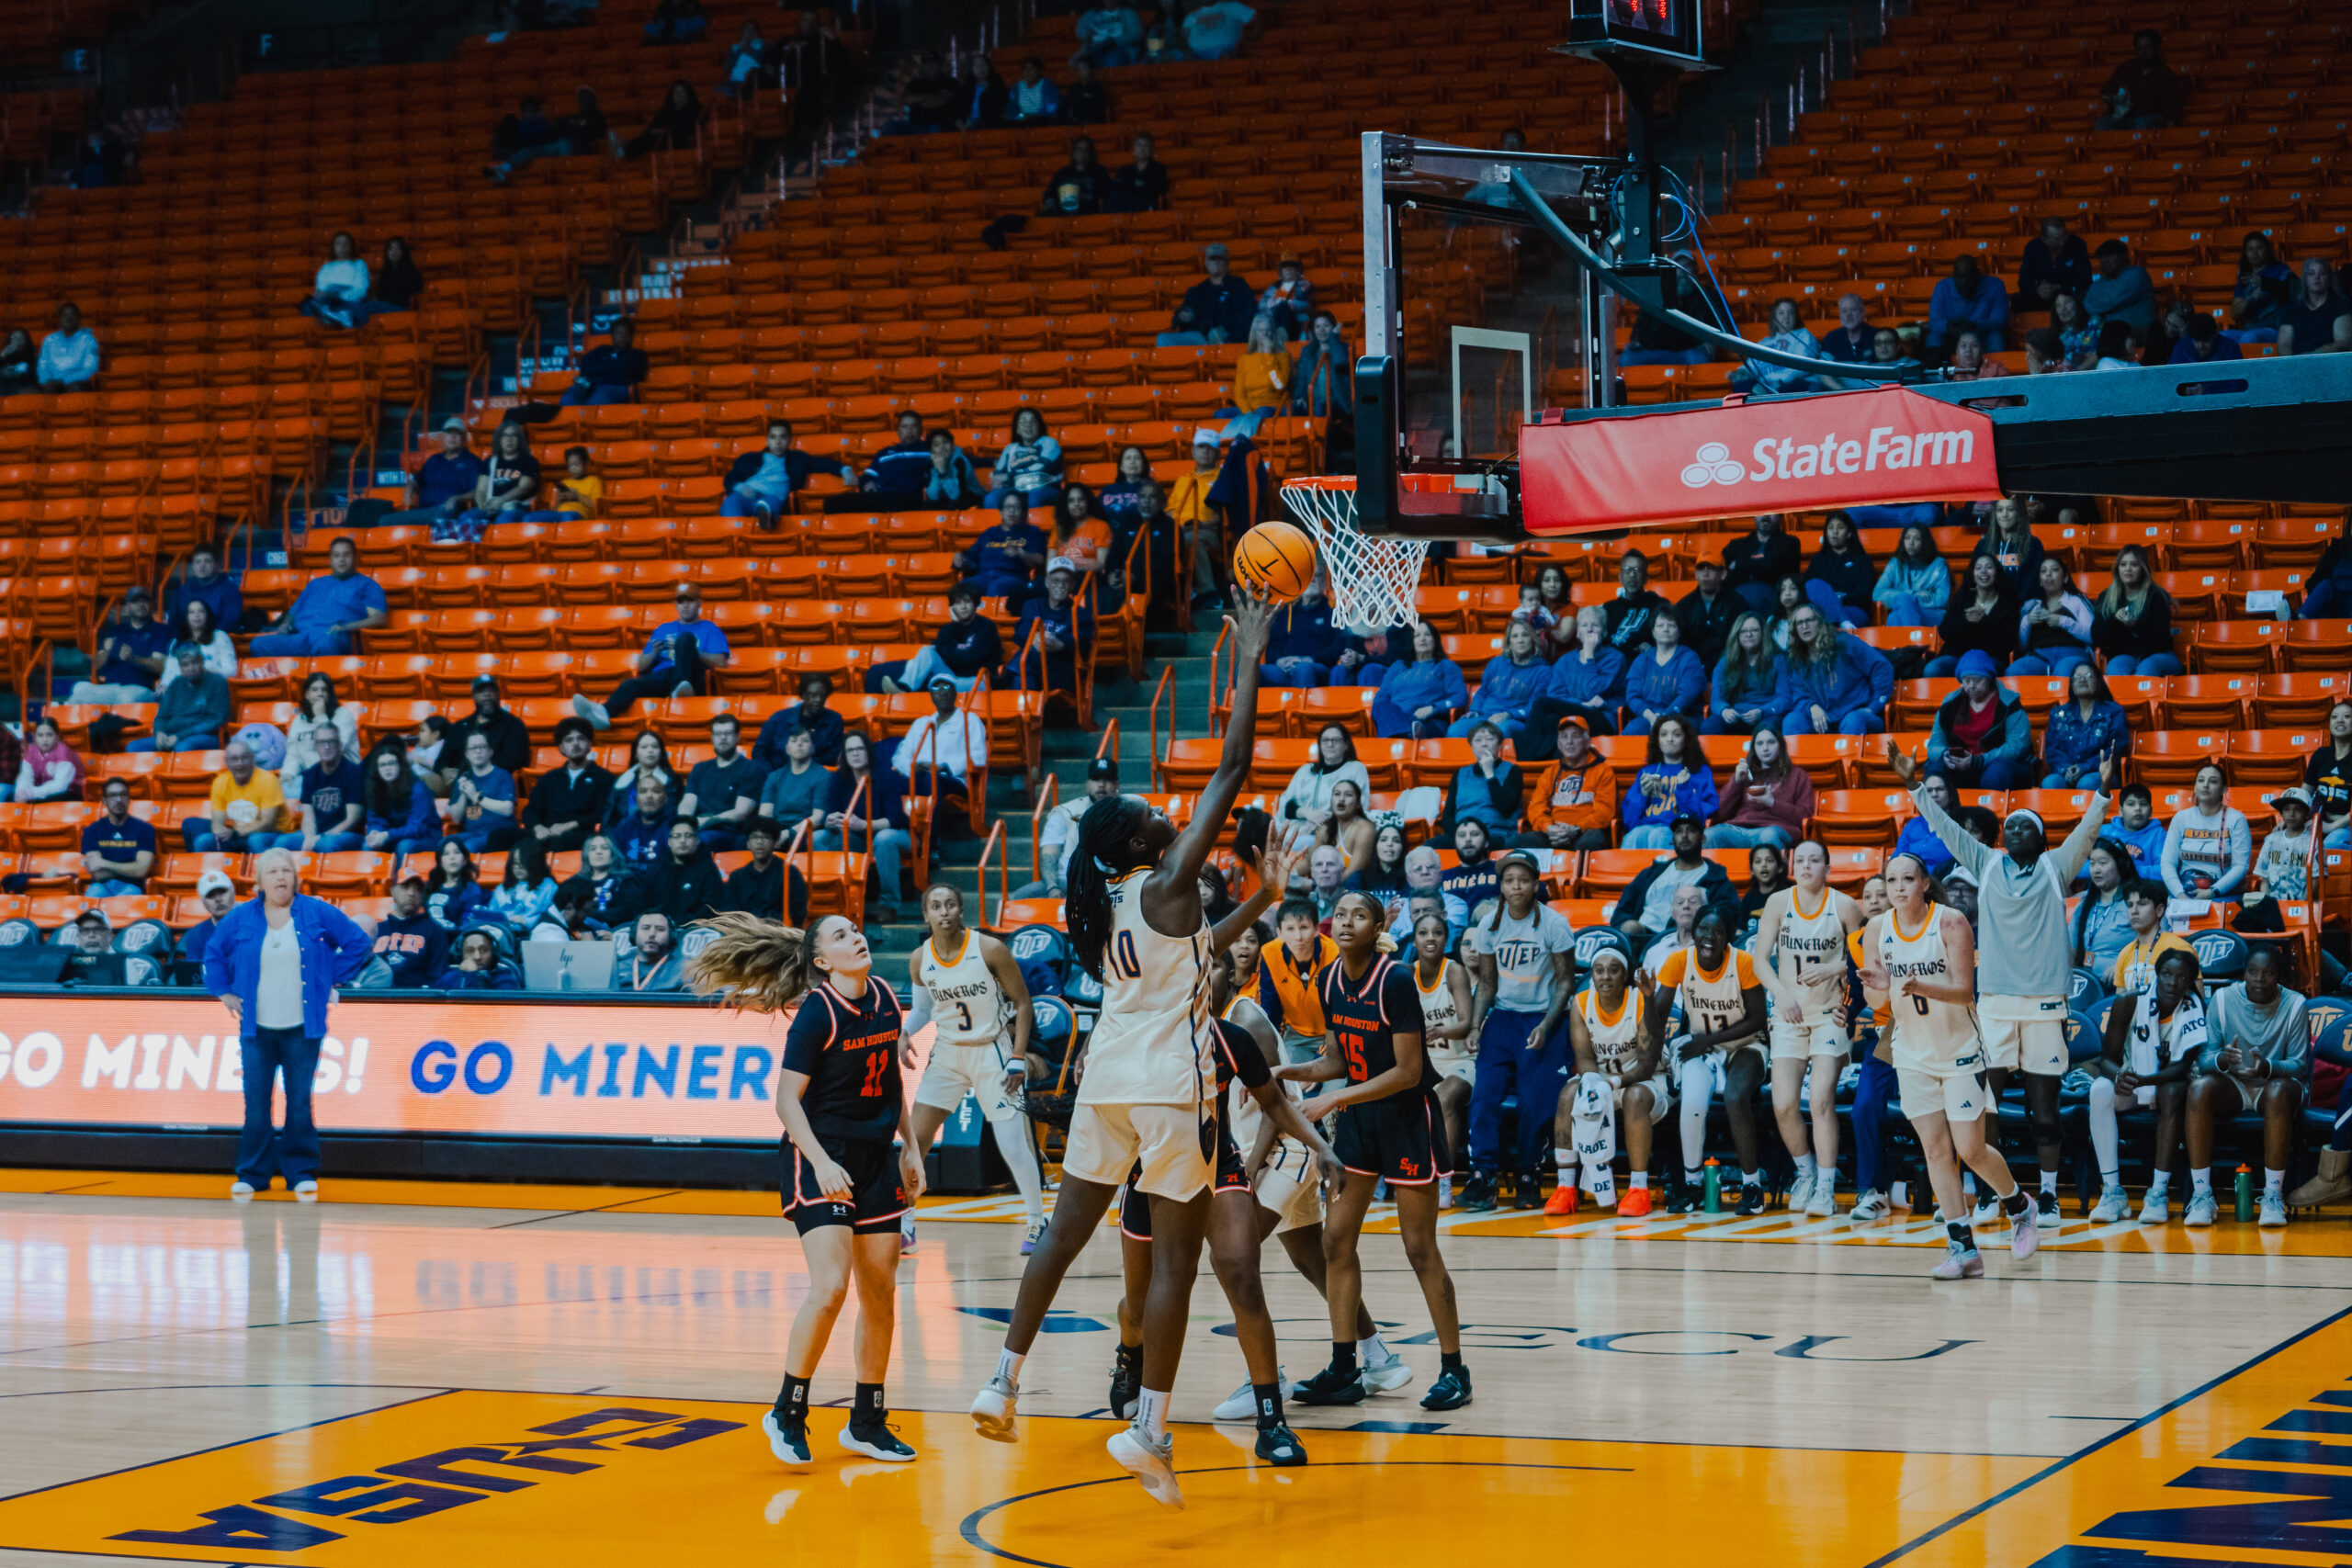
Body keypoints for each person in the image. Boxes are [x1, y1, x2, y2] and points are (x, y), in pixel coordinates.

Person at [966, 590, 1278, 1509]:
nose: (1162, 812)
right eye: (1150, 811)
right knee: (1176, 1266)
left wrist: (1265, 898)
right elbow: (1234, 766)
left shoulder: (1106, 909)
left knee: (1061, 1236)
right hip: (1171, 1088)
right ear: (1136, 840)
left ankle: (1002, 1380)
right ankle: (1147, 1427)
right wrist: (1250, 651)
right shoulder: (1172, 879)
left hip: (1105, 1076)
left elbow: (1196, 948)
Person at [682, 908, 922, 1469]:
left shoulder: (885, 994)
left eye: (856, 930)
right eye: (841, 936)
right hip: (820, 1155)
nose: (856, 938)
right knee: (832, 1286)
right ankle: (787, 1411)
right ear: (821, 960)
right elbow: (787, 1102)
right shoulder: (818, 1014)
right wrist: (821, 1163)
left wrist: (910, 1145)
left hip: (875, 1157)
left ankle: (866, 1422)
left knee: (881, 1292)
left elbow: (889, 1078)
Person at [1888, 739, 2115, 1227]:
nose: (2013, 829)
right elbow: (1945, 830)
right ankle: (1993, 1194)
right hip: (1991, 1004)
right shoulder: (1986, 863)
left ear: (2039, 837)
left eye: (2023, 825)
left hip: (2044, 1005)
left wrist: (2101, 790)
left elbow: (2089, 828)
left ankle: (2048, 1194)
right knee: (1983, 1105)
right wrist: (1913, 784)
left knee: (2044, 1109)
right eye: (2008, 825)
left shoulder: (2058, 867)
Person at [1280, 890, 1469, 1412]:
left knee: (1418, 1247)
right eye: (1339, 915)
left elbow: (1408, 1072)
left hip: (1408, 1119)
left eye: (1358, 915)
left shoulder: (1397, 979)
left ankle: (1455, 1370)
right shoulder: (1329, 980)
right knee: (1335, 1242)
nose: (1346, 923)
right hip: (1362, 1123)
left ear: (1377, 924)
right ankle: (1345, 1367)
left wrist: (1335, 1097)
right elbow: (1336, 1061)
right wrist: (1281, 1072)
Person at [1855, 853, 2037, 1278]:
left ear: (1923, 884)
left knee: (1970, 1150)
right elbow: (1876, 1002)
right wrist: (1882, 989)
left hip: (1960, 1050)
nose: (1897, 888)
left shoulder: (1951, 922)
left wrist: (1919, 985)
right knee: (1936, 1150)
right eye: (1891, 880)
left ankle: (2018, 1204)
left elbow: (1963, 993)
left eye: (1907, 879)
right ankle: (1964, 1250)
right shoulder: (1877, 930)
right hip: (1911, 1052)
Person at [200, 848, 373, 1201]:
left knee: (298, 1102)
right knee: (256, 1102)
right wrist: (223, 992)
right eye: (273, 871)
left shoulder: (316, 911)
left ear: (295, 878)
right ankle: (253, 1173)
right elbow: (213, 954)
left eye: (287, 871)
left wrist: (328, 978)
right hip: (257, 1030)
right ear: (260, 881)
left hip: (302, 1029)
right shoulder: (241, 917)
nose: (281, 877)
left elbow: (358, 943)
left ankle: (300, 1172)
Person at [902, 884, 1048, 1253]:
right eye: (936, 906)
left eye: (950, 904)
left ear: (960, 909)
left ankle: (1037, 1221)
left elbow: (1024, 1004)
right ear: (926, 915)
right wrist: (904, 1032)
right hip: (948, 1053)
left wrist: (1017, 1056)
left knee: (1012, 1146)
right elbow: (922, 1010)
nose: (944, 911)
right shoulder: (920, 958)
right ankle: (906, 1225)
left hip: (992, 1052)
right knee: (915, 1139)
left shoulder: (989, 949)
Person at [1458, 853, 1577, 1212]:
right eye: (1509, 880)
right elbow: (1488, 983)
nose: (1516, 886)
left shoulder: (1555, 924)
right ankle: (1483, 1175)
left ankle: (1528, 1173)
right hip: (1505, 1019)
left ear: (1535, 883)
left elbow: (1566, 981)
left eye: (1523, 880)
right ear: (1501, 885)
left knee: (1534, 1101)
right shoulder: (1489, 927)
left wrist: (1545, 1024)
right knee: (1484, 1097)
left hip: (1543, 1018)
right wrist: (1476, 1025)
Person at [1755, 841, 1865, 1218]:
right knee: (1783, 1103)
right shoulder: (1778, 903)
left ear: (1827, 867)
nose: (1805, 865)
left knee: (1820, 1099)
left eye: (1813, 860)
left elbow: (1864, 960)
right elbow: (1759, 960)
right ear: (1792, 867)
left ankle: (1826, 1187)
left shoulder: (1845, 905)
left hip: (1830, 1014)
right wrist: (1781, 995)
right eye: (1799, 860)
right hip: (1789, 1013)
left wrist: (1835, 969)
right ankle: (1804, 1173)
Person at [2180, 946, 2308, 1228]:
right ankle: (2202, 1196)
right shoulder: (2223, 999)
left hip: (2277, 1086)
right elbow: (2203, 1060)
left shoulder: (2296, 1004)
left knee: (2276, 1092)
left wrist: (2269, 1067)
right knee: (2199, 1088)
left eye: (2268, 972)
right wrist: (2221, 1060)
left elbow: (2299, 1065)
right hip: (2234, 1084)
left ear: (2280, 977)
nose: (2259, 979)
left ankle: (2273, 1197)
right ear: (2243, 974)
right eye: (2253, 972)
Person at [1655, 909, 1769, 1213]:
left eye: (1717, 931)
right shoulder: (1678, 961)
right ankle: (1692, 1185)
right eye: (1703, 929)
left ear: (1729, 936)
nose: (1709, 937)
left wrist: (1707, 1040)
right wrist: (1645, 996)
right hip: (1700, 1048)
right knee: (1691, 1103)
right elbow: (1659, 1013)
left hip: (1745, 1045)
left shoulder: (1743, 962)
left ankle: (1752, 1186)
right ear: (1693, 932)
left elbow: (1758, 1019)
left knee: (1735, 1096)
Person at [2098, 947, 2203, 1224]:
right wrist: (2120, 1074)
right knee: (2099, 1089)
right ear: (2157, 975)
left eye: (2181, 976)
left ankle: (2158, 1193)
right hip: (2134, 1083)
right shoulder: (2128, 1003)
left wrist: (2146, 1080)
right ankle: (2112, 1191)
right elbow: (2106, 1060)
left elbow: (2181, 1068)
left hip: (2173, 1085)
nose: (2172, 981)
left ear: (2190, 981)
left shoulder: (2194, 1008)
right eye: (2167, 974)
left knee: (2171, 1092)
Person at [570, 583, 730, 729]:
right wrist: (654, 652)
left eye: (690, 600)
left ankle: (682, 685)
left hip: (694, 679)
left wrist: (689, 651)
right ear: (676, 604)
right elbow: (641, 666)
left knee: (686, 639)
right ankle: (603, 712)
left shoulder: (710, 629)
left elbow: (721, 662)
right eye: (681, 601)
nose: (686, 605)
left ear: (699, 603)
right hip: (664, 678)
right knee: (629, 684)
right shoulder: (663, 629)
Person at [815, 731, 912, 920]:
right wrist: (830, 821)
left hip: (891, 833)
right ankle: (833, 900)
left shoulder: (886, 776)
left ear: (868, 751)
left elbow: (895, 819)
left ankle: (888, 904)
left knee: (885, 839)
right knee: (817, 838)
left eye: (860, 748)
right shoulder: (838, 778)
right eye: (850, 750)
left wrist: (863, 825)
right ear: (844, 756)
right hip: (853, 834)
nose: (856, 754)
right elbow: (830, 813)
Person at [1611, 813, 1740, 945]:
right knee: (1628, 929)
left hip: (1689, 943)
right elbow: (1623, 907)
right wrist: (1626, 923)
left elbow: (1727, 914)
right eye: (1679, 831)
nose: (1684, 836)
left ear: (1702, 839)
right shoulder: (1652, 873)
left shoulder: (1716, 877)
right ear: (1673, 839)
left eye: (1691, 831)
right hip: (1643, 939)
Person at [250, 536, 386, 658]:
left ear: (355, 558)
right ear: (330, 560)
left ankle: (319, 684)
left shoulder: (368, 585)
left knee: (324, 644)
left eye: (346, 555)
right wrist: (286, 624)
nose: (341, 560)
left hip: (335, 636)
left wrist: (347, 627)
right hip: (302, 637)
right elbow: (293, 613)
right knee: (258, 644)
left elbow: (378, 618)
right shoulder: (315, 584)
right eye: (336, 555)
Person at [1771, 603, 1891, 736]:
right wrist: (1812, 707)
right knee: (1792, 720)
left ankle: (1848, 757)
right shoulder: (1796, 659)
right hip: (1823, 720)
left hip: (1857, 715)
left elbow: (1881, 666)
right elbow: (1799, 695)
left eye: (1809, 620)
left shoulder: (1846, 643)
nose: (1804, 626)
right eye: (1799, 623)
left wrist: (1874, 706)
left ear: (1821, 622)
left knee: (1853, 720)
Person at [721, 420, 854, 525]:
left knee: (768, 503)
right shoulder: (749, 458)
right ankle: (736, 535)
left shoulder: (798, 459)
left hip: (772, 497)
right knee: (731, 503)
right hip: (746, 494)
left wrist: (845, 470)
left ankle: (766, 519)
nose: (778, 442)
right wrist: (739, 486)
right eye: (773, 437)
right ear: (767, 440)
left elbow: (824, 463)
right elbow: (730, 477)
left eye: (783, 437)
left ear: (790, 440)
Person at [1518, 713, 1615, 852]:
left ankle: (1581, 874)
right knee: (1515, 842)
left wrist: (1576, 828)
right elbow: (1536, 809)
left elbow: (1604, 813)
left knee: (1591, 841)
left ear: (1587, 741)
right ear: (1558, 742)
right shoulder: (1549, 773)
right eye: (1564, 736)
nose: (1569, 741)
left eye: (1575, 736)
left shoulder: (1603, 771)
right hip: (1553, 833)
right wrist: (1548, 828)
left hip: (1585, 832)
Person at [1709, 722, 1812, 850]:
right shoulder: (1745, 773)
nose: (1765, 748)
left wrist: (1772, 803)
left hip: (1776, 829)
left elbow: (1805, 817)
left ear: (1780, 745)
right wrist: (1737, 782)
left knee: (1768, 836)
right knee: (1709, 836)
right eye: (1760, 743)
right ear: (1754, 748)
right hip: (1740, 830)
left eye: (1771, 742)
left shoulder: (1798, 776)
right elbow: (1720, 814)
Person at [2161, 761, 2251, 903]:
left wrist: (2212, 892)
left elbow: (2241, 866)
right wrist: (2180, 895)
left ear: (2223, 789)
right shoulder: (2181, 818)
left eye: (2213, 781)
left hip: (2223, 895)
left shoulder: (2236, 819)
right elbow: (2167, 863)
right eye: (2201, 780)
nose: (2205, 785)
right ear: (2195, 787)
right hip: (2183, 894)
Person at [1621, 716, 1716, 849]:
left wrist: (1684, 789)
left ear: (1686, 739)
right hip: (1644, 828)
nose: (1669, 739)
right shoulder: (1646, 772)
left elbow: (1699, 817)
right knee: (1633, 836)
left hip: (1679, 831)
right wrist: (1642, 794)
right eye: (1664, 734)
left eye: (1676, 734)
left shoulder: (1701, 772)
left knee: (1659, 835)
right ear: (1657, 740)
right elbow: (1629, 822)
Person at [1448, 619, 1549, 740]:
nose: (1520, 640)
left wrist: (1510, 714)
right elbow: (1482, 691)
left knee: (1500, 731)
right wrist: (1475, 710)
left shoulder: (1543, 671)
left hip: (1513, 721)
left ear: (1532, 640)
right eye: (1515, 636)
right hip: (1485, 717)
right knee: (1454, 730)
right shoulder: (1496, 663)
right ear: (1509, 642)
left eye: (1525, 635)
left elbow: (1535, 706)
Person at [678, 713, 766, 851]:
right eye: (718, 734)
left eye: (728, 733)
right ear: (712, 737)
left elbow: (740, 812)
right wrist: (685, 824)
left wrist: (705, 822)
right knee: (667, 838)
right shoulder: (700, 769)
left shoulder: (752, 770)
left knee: (701, 841)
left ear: (737, 736)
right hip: (698, 828)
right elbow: (688, 802)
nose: (723, 738)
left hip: (730, 833)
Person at [71, 585, 172, 704]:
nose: (140, 605)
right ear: (128, 607)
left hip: (139, 688)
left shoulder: (160, 630)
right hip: (111, 688)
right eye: (135, 601)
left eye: (144, 600)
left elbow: (159, 666)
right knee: (76, 699)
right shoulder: (117, 630)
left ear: (151, 604)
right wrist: (106, 652)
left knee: (126, 700)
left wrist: (134, 658)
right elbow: (97, 666)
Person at [1363, 622, 1466, 738]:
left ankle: (1401, 736)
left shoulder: (1447, 666)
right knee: (1380, 705)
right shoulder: (1398, 666)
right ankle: (1406, 733)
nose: (1422, 639)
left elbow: (1459, 697)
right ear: (1412, 641)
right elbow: (1381, 696)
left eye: (1427, 635)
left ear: (1435, 640)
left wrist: (1434, 708)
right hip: (1397, 716)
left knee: (1412, 725)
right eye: (1417, 636)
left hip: (1427, 719)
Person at [2091, 544, 2179, 677]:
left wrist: (2135, 624)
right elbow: (2097, 637)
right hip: (2125, 655)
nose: (2128, 569)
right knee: (2115, 668)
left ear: (2143, 569)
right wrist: (2115, 620)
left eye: (2134, 564)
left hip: (2159, 655)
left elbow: (2160, 639)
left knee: (2147, 667)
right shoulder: (2107, 596)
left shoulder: (2156, 595)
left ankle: (2143, 698)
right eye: (2123, 564)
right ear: (2117, 569)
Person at [189, 739, 290, 853]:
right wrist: (219, 832)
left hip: (272, 833)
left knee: (255, 840)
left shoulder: (267, 780)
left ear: (252, 758)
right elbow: (217, 820)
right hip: (239, 834)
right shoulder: (220, 782)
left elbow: (267, 824)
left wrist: (236, 833)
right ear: (227, 762)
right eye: (234, 759)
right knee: (203, 841)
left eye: (244, 758)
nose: (240, 763)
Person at [1928, 556, 2021, 678]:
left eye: (1989, 567)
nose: (1983, 571)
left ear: (1997, 572)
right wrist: (1966, 621)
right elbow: (1945, 631)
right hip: (1957, 656)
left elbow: (2007, 643)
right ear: (1973, 573)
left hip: (1990, 658)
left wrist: (1983, 621)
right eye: (1978, 568)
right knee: (1932, 669)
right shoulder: (1964, 595)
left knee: (1975, 669)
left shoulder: (2008, 602)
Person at [2041, 665, 2130, 790]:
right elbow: (2052, 749)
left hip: (2100, 772)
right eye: (2077, 677)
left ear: (2098, 682)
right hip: (2066, 772)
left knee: (2086, 783)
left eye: (2089, 676)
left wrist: (2084, 767)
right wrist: (2067, 769)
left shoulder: (2114, 711)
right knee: (2050, 783)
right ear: (2071, 684)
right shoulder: (2058, 714)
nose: (2083, 680)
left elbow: (2115, 749)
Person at [1623, 610, 1707, 737]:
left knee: (1672, 735)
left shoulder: (1690, 658)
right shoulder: (1642, 660)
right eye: (1660, 625)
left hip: (1682, 717)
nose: (1665, 629)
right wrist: (1651, 716)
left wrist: (1666, 717)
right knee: (1631, 732)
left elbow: (1687, 695)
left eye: (1671, 625)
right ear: (1653, 632)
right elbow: (1632, 696)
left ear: (1679, 631)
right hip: (1649, 717)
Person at [2009, 558, 2098, 677]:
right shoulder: (2032, 605)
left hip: (2072, 654)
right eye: (2043, 571)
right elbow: (2022, 646)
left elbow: (2092, 636)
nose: (2048, 574)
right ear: (2040, 581)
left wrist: (2063, 622)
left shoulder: (2077, 601)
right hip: (2039, 656)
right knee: (2015, 671)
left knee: (2063, 671)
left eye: (2054, 570)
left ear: (2065, 578)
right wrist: (2027, 621)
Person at [1158, 242, 1255, 347]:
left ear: (1227, 262)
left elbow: (1248, 313)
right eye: (1212, 258)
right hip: (1201, 338)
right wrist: (1182, 316)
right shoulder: (1196, 291)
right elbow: (1178, 319)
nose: (1216, 262)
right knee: (1163, 339)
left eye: (1220, 258)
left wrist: (1225, 329)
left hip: (1231, 336)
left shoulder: (1239, 286)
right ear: (1206, 262)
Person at [133, 647, 230, 753]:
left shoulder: (218, 682)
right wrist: (160, 733)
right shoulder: (176, 683)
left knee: (182, 747)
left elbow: (216, 719)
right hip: (172, 735)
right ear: (180, 667)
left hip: (203, 735)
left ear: (202, 662)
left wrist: (179, 736)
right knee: (134, 747)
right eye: (186, 665)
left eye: (195, 663)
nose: (191, 668)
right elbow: (161, 716)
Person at [2110, 877, 2192, 998]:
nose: (2134, 911)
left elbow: (2194, 1002)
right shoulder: (2125, 953)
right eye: (2130, 905)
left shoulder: (2180, 948)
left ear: (2159, 910)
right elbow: (2120, 1005)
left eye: (2142, 904)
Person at [361, 743, 442, 862]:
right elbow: (375, 819)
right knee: (368, 845)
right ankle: (373, 880)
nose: (387, 768)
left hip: (426, 836)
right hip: (393, 836)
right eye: (382, 765)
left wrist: (387, 835)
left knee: (404, 845)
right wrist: (375, 832)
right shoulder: (375, 789)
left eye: (391, 763)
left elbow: (417, 828)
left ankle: (400, 879)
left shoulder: (418, 788)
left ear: (400, 766)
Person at [294, 725, 368, 853]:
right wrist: (309, 838)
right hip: (319, 834)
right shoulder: (310, 774)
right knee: (282, 843)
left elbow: (352, 819)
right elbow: (308, 815)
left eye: (331, 741)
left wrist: (321, 838)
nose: (326, 747)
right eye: (322, 742)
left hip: (347, 835)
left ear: (339, 744)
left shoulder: (354, 772)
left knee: (326, 844)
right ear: (315, 747)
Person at [1706, 610, 1780, 738]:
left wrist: (1762, 711)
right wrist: (1724, 710)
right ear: (1737, 635)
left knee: (1767, 729)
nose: (1749, 634)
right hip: (1736, 714)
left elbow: (1785, 698)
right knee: (1709, 726)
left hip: (1766, 715)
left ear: (1763, 634)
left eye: (1754, 630)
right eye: (1743, 631)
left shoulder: (1778, 660)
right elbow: (1716, 700)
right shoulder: (1724, 663)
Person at [368, 876, 450, 989]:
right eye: (405, 887)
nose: (412, 893)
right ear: (393, 891)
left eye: (417, 889)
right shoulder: (377, 930)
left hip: (415, 999)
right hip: (374, 998)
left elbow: (437, 977)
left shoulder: (435, 931)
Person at [2072, 841, 2138, 977]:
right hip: (2086, 983)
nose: (2096, 869)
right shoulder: (2084, 905)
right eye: (2092, 863)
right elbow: (2070, 951)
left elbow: (2156, 945)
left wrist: (2126, 966)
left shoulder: (2138, 901)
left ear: (2121, 865)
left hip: (2124, 983)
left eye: (2103, 863)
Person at [79, 777, 156, 896]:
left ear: (129, 799)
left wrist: (103, 863)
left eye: (123, 795)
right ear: (104, 800)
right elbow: (98, 874)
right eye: (113, 795)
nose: (119, 799)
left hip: (132, 887)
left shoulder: (145, 830)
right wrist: (129, 868)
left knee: (128, 896)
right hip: (100, 886)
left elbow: (141, 870)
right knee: (93, 894)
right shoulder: (92, 831)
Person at [446, 730, 518, 852]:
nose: (478, 751)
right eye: (473, 748)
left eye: (482, 747)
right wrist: (464, 794)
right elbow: (456, 819)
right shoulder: (465, 778)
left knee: (468, 847)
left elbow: (508, 810)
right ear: (467, 754)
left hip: (498, 834)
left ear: (490, 751)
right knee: (445, 844)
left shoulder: (502, 776)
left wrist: (476, 796)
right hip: (473, 833)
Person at [2098, 28, 2183, 129]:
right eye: (2140, 48)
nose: (2144, 52)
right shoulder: (2126, 68)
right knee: (2102, 123)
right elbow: (2107, 91)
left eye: (2148, 47)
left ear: (2156, 49)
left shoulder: (2165, 73)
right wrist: (2113, 98)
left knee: (2142, 123)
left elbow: (2171, 106)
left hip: (2152, 118)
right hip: (2125, 117)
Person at [559, 833, 643, 933]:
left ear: (612, 854)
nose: (599, 852)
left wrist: (589, 914)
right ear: (587, 855)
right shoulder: (575, 882)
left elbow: (628, 911)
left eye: (604, 848)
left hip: (616, 930)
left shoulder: (625, 880)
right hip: (579, 930)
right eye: (593, 849)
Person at [1927, 255, 2010, 355]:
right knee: (1934, 338)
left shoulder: (1996, 285)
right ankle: (1934, 369)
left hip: (1982, 333)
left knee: (1995, 338)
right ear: (1954, 276)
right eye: (1960, 277)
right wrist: (1948, 327)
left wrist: (1976, 326)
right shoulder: (1942, 287)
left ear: (1977, 274)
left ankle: (1995, 369)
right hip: (1952, 336)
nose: (1964, 282)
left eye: (1968, 276)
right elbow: (1935, 321)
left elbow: (1998, 320)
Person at [1722, 514, 1803, 616]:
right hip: (1737, 605)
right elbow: (1723, 576)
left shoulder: (1790, 543)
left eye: (1772, 511)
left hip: (1773, 604)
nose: (1766, 515)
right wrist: (1762, 566)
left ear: (1781, 517)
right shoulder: (1737, 545)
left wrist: (1739, 566)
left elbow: (1775, 570)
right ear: (1753, 516)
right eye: (1761, 511)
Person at [1805, 513, 1877, 626]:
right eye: (1831, 528)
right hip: (1821, 612)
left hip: (1853, 610)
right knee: (1813, 584)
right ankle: (1843, 622)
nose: (1835, 532)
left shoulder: (1862, 560)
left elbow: (1863, 594)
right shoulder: (1818, 560)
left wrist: (1835, 598)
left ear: (1849, 533)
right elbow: (1809, 588)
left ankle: (1841, 620)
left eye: (1840, 527)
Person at [558, 318, 647, 408]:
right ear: (612, 335)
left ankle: (589, 420)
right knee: (570, 396)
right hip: (591, 385)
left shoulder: (637, 354)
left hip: (618, 388)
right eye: (618, 333)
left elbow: (624, 372)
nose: (622, 336)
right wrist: (610, 367)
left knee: (599, 395)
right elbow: (585, 366)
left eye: (625, 333)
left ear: (631, 336)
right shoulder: (601, 350)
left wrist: (600, 368)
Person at [2276, 256, 2352, 356]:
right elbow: (2283, 344)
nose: (2317, 277)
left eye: (2322, 273)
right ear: (2305, 279)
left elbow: (2342, 342)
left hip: (2330, 362)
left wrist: (2312, 357)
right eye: (2311, 273)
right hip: (2298, 363)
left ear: (2329, 279)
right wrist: (2294, 364)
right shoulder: (2292, 307)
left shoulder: (2341, 304)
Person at [2017, 217, 2093, 313]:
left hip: (2070, 294)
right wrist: (2037, 290)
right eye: (2056, 239)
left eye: (2064, 236)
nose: (2062, 242)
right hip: (2042, 298)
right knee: (2019, 299)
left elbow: (2085, 279)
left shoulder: (2078, 245)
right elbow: (2023, 281)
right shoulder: (2032, 248)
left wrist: (2059, 287)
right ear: (2044, 239)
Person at [166, 542, 243, 634]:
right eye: (198, 562)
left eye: (207, 561)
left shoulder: (230, 590)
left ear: (217, 565)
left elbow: (230, 622)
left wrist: (203, 637)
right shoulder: (183, 591)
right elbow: (173, 622)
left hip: (216, 639)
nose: (202, 565)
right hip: (187, 641)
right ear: (193, 566)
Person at [300, 231, 374, 329]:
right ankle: (335, 316)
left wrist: (339, 294)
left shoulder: (359, 264)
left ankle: (332, 317)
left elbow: (360, 289)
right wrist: (331, 292)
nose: (342, 247)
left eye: (346, 243)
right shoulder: (326, 268)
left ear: (351, 246)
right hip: (328, 300)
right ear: (333, 247)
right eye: (339, 243)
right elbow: (321, 290)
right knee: (308, 306)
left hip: (349, 301)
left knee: (360, 308)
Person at [2085, 239, 2156, 337]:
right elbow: (2087, 304)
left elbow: (2112, 301)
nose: (2104, 260)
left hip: (2139, 336)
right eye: (2101, 257)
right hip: (2109, 340)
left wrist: (2099, 306)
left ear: (2123, 256)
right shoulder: (2098, 284)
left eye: (2110, 255)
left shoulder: (2137, 274)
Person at [609, 909, 687, 992]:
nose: (652, 934)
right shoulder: (616, 969)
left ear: (672, 936)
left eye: (660, 929)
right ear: (634, 934)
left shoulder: (685, 971)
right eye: (645, 928)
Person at [36, 301, 98, 392]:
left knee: (75, 389)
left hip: (77, 383)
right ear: (60, 319)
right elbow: (42, 366)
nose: (69, 318)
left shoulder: (89, 340)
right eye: (65, 315)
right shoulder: (49, 340)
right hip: (52, 384)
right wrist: (47, 380)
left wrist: (64, 381)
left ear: (79, 319)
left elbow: (91, 369)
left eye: (73, 314)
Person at [1106, 130, 1170, 214]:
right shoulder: (1124, 170)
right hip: (1126, 203)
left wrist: (1131, 186)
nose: (1142, 149)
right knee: (1115, 198)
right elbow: (1116, 186)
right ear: (1134, 149)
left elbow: (1158, 189)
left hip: (1147, 204)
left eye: (1146, 145)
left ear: (1151, 149)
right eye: (1139, 145)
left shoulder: (1159, 169)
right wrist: (1137, 186)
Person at [1181, 0, 1257, 60]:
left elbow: (1258, 19)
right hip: (1196, 55)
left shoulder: (1232, 6)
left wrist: (1252, 38)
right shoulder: (1190, 17)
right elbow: (1185, 37)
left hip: (1226, 52)